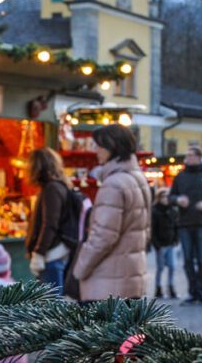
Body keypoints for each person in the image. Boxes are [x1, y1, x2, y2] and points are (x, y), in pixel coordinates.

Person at [71, 125, 151, 301]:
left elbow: (103, 237)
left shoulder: (113, 184)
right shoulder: (136, 178)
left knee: (102, 329)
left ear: (112, 147)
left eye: (99, 146)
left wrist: (80, 269)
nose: (96, 150)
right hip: (130, 277)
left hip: (107, 283)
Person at [169, 146, 202, 305]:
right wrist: (177, 200)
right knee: (188, 260)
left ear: (199, 157)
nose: (187, 158)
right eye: (187, 155)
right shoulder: (180, 176)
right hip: (184, 224)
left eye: (191, 155)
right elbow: (171, 196)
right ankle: (192, 292)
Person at [25, 147, 72, 295]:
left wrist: (39, 253)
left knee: (52, 308)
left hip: (51, 256)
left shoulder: (51, 189)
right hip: (54, 254)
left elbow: (50, 224)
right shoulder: (59, 187)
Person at [151, 187, 178, 299]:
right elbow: (153, 230)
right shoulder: (155, 211)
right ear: (159, 198)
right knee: (160, 267)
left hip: (170, 243)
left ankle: (171, 287)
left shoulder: (172, 210)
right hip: (161, 244)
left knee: (172, 266)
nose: (166, 199)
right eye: (163, 196)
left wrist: (176, 239)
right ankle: (158, 288)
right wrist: (157, 245)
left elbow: (176, 226)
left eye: (167, 196)